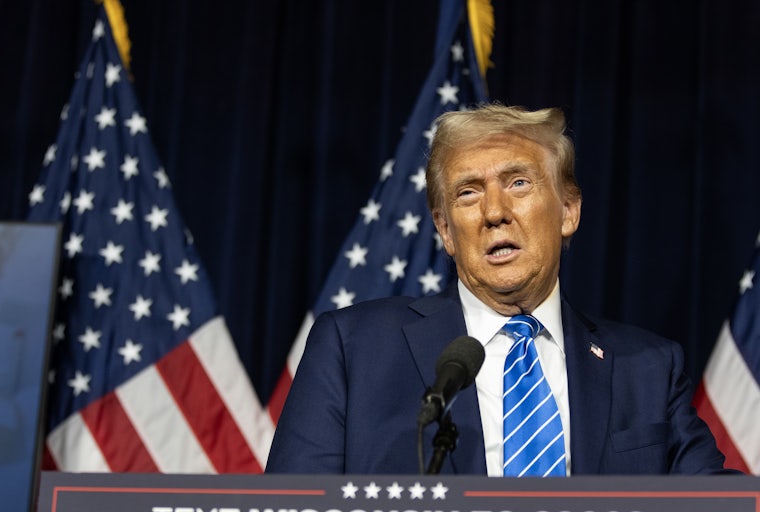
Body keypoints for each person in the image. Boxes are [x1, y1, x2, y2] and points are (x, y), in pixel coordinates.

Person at [265, 103, 732, 475]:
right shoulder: (354, 349)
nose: (494, 212)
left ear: (568, 211)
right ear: (445, 230)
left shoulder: (648, 368)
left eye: (519, 183)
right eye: (468, 192)